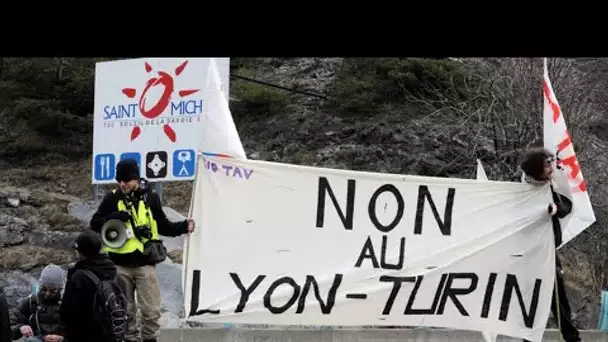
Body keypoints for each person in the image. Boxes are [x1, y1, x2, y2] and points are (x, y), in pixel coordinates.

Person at [89, 158, 195, 342]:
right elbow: (95, 223)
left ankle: (150, 339)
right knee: (126, 310)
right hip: (119, 265)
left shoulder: (151, 197)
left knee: (151, 310)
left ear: (136, 179)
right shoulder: (112, 198)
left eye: (126, 180)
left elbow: (163, 226)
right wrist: (113, 217)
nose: (122, 184)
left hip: (146, 263)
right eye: (119, 180)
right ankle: (130, 339)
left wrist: (183, 226)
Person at [519, 147, 581, 342]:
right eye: (547, 164)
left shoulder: (550, 187)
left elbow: (567, 205)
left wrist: (555, 208)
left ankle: (572, 338)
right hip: (528, 252)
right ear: (536, 168)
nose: (551, 167)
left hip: (549, 250)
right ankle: (528, 338)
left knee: (558, 298)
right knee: (531, 297)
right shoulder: (519, 189)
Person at [60, 230, 128, 342]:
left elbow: (68, 312)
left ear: (79, 251)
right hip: (111, 335)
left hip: (86, 335)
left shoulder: (79, 277)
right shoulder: (115, 274)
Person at [11, 265, 66, 342]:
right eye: (43, 289)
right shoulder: (31, 302)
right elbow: (9, 327)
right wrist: (21, 327)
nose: (47, 294)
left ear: (60, 289)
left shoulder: (69, 304)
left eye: (53, 291)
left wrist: (63, 339)